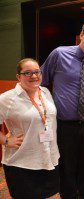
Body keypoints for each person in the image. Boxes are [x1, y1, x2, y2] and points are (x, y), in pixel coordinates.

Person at [41, 20, 84, 199]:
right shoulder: (59, 54)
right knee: (67, 169)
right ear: (81, 35)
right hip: (65, 125)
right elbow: (42, 82)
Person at [0, 58, 60, 199]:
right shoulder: (7, 99)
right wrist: (6, 141)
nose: (34, 76)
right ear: (18, 76)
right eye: (27, 73)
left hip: (48, 157)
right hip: (22, 162)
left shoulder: (45, 92)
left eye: (36, 72)